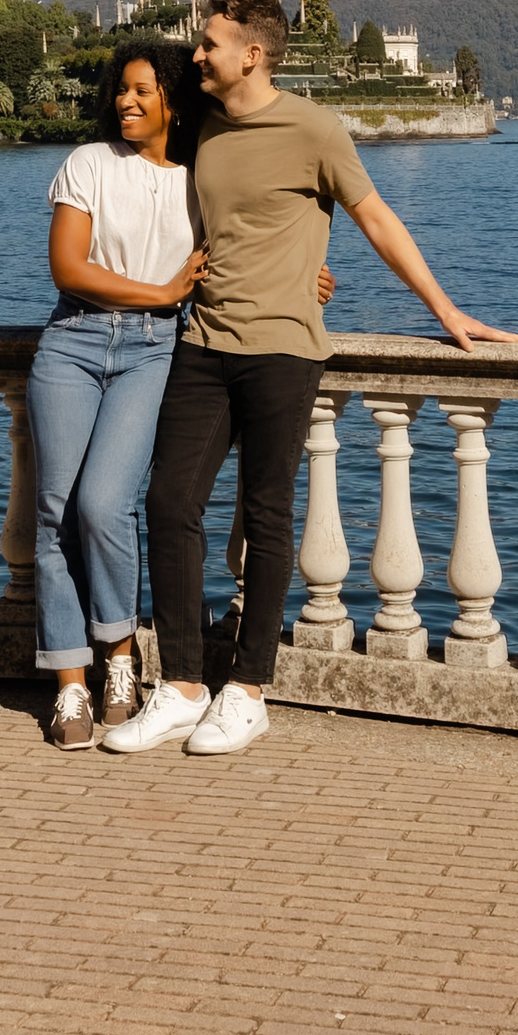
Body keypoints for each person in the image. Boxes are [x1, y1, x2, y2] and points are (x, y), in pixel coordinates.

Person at [103, 0, 517, 757]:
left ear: (253, 54)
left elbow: (375, 218)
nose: (198, 53)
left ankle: (247, 690)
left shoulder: (314, 128)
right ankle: (183, 686)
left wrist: (445, 310)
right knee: (169, 502)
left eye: (210, 43)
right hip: (204, 341)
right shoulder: (201, 123)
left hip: (285, 348)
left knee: (266, 514)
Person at [27, 38, 333, 751]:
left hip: (154, 349)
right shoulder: (89, 163)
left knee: (106, 503)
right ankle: (71, 680)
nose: (126, 102)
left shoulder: (201, 177)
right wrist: (163, 291)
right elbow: (68, 267)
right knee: (54, 512)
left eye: (143, 90)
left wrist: (305, 276)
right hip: (73, 340)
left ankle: (121, 656)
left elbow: (253, 244)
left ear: (172, 99)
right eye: (121, 89)